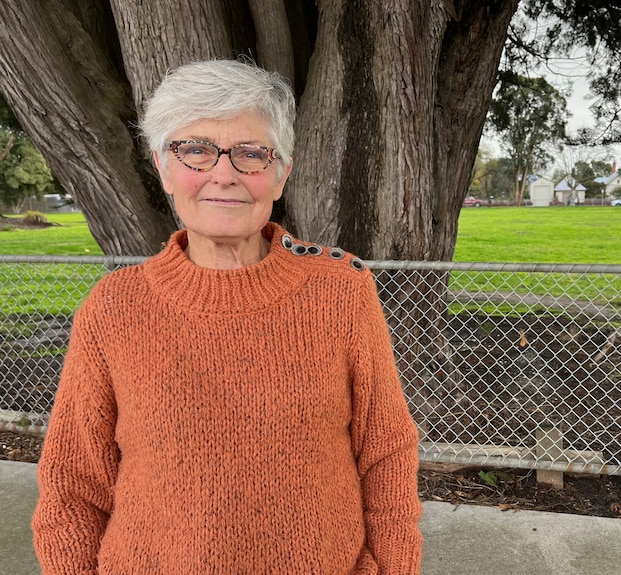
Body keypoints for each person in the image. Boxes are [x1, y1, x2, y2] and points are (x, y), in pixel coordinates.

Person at [32, 59, 423, 574]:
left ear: (280, 174)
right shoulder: (113, 308)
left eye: (251, 154)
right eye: (194, 150)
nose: (223, 174)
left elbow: (386, 455)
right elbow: (72, 487)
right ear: (163, 168)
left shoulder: (342, 294)